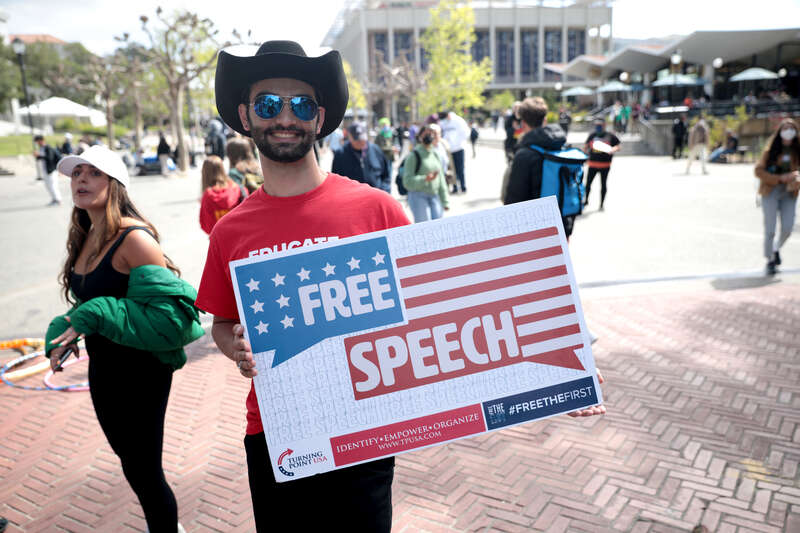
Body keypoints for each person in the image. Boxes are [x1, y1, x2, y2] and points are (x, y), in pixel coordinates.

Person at [195, 40, 410, 532]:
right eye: (270, 104)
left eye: (301, 105)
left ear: (320, 117)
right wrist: (237, 347)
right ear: (246, 117)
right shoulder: (231, 230)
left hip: (364, 426)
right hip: (276, 432)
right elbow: (222, 324)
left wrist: (558, 376)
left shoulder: (377, 211)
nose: (285, 117)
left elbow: (436, 304)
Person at [44, 145, 203, 533]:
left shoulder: (135, 240)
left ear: (114, 184)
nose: (81, 180)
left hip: (141, 373)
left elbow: (174, 320)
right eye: (77, 173)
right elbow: (93, 301)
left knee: (146, 472)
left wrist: (94, 314)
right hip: (103, 370)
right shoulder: (85, 234)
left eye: (92, 173)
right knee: (130, 463)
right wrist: (67, 327)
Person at [504, 97, 578, 237]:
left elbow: (514, 199)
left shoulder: (524, 155)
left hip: (535, 229)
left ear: (523, 123)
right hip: (563, 223)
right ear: (545, 120)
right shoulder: (563, 147)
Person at [754, 118, 800, 275]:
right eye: (785, 128)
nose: (789, 131)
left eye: (792, 128)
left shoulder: (797, 151)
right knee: (770, 229)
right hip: (771, 190)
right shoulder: (770, 151)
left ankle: (776, 248)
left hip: (790, 192)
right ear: (780, 131)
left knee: (788, 227)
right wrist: (779, 178)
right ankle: (770, 259)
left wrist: (795, 176)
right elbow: (758, 171)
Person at [403, 124, 450, 222]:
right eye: (426, 134)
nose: (429, 136)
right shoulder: (413, 156)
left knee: (439, 227)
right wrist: (425, 179)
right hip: (418, 196)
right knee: (425, 227)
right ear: (420, 137)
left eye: (431, 133)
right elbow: (407, 181)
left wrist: (445, 201)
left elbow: (441, 178)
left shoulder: (436, 154)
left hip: (435, 196)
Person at [331, 122, 392, 192]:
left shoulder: (376, 150)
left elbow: (386, 175)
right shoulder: (340, 154)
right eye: (356, 139)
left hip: (375, 198)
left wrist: (384, 191)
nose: (360, 142)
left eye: (362, 138)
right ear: (349, 137)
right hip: (352, 199)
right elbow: (336, 180)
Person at [199, 155, 245, 235]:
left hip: (219, 238)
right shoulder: (236, 188)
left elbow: (206, 225)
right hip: (239, 235)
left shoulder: (208, 196)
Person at [584, 118, 621, 211]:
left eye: (600, 125)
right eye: (597, 125)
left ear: (604, 125)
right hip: (592, 164)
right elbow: (585, 146)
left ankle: (601, 204)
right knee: (588, 184)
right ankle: (586, 200)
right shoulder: (592, 135)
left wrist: (613, 149)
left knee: (603, 184)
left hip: (605, 165)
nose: (598, 126)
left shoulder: (610, 136)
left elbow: (618, 145)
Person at [438, 109, 470, 194]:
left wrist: (458, 143)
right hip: (448, 150)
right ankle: (455, 187)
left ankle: (463, 187)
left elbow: (466, 133)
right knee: (452, 169)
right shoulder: (443, 122)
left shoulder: (458, 120)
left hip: (459, 148)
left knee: (460, 169)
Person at [34, 135, 62, 205]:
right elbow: (41, 158)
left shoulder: (48, 148)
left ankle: (58, 200)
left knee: (53, 185)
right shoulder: (41, 148)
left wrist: (39, 156)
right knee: (48, 185)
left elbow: (50, 158)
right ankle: (54, 199)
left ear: (41, 140)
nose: (37, 143)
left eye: (37, 141)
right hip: (45, 170)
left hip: (51, 170)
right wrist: (37, 156)